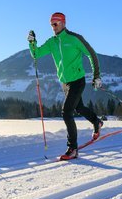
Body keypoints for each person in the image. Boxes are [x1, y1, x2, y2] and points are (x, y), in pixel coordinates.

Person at [27, 12, 103, 160]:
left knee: (66, 112)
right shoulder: (52, 42)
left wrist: (96, 75)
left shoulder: (74, 39)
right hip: (65, 83)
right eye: (51, 25)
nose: (53, 28)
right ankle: (96, 121)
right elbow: (36, 54)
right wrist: (32, 43)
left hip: (78, 80)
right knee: (78, 108)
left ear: (63, 23)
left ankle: (72, 148)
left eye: (55, 24)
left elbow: (91, 54)